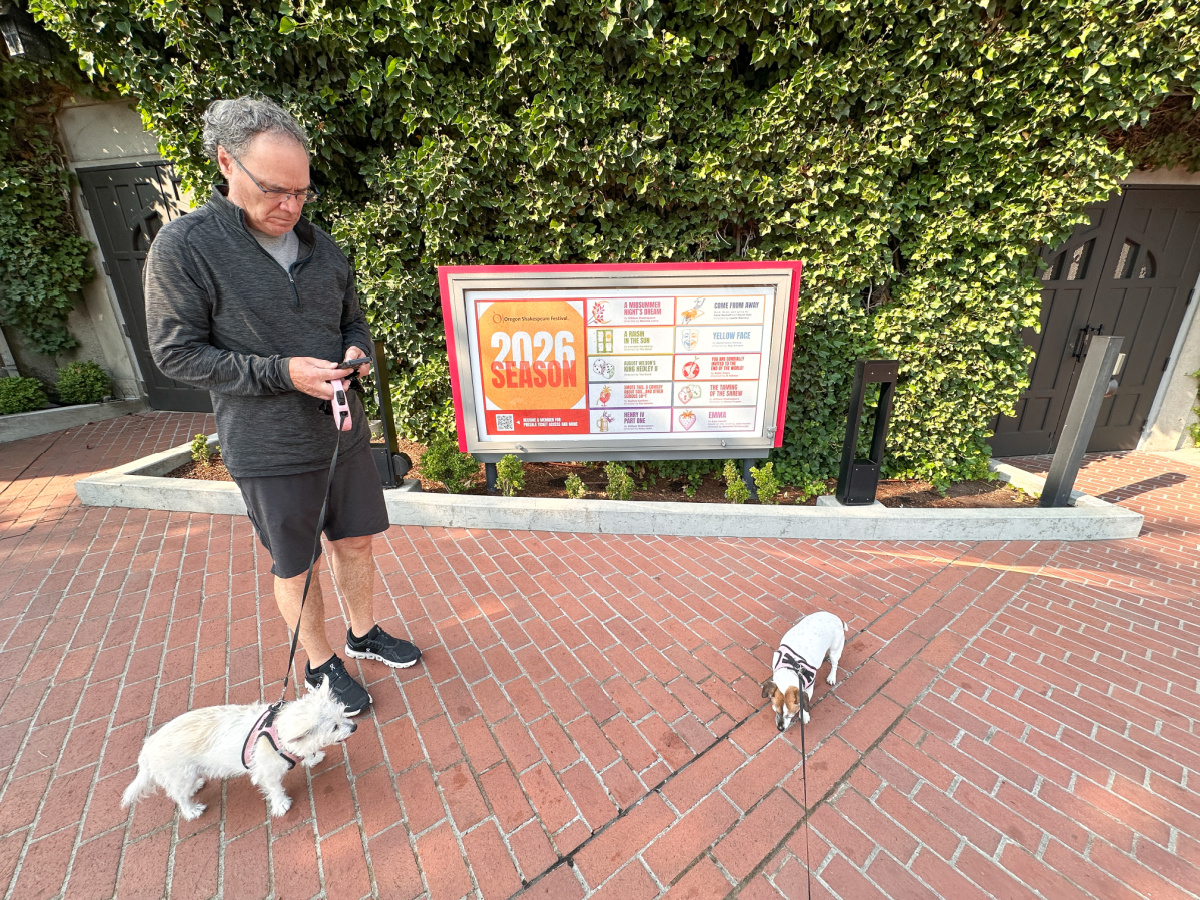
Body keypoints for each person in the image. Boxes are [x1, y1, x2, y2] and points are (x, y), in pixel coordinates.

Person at [144, 96, 420, 716]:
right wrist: (282, 373)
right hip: (268, 447)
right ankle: (321, 664)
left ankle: (363, 633)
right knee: (298, 565)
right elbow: (175, 354)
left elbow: (352, 320)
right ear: (227, 163)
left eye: (301, 192)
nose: (290, 207)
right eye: (274, 190)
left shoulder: (322, 246)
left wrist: (356, 349)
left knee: (356, 542)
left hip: (343, 433)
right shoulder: (185, 246)